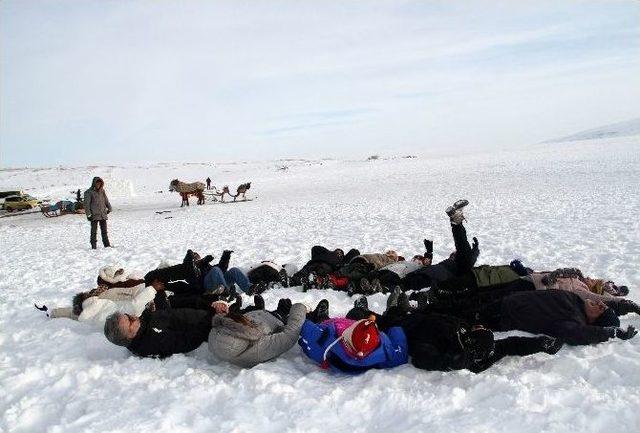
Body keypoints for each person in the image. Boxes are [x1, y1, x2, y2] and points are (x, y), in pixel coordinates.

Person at [347, 290, 562, 373]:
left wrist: (450, 362)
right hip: (420, 317)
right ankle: (398, 305)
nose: (478, 326)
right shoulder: (484, 346)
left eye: (478, 328)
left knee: (362, 315)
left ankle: (366, 309)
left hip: (401, 328)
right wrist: (541, 344)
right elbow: (511, 345)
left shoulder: (457, 353)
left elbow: (422, 359)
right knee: (399, 310)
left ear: (471, 339)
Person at [472, 289, 637, 346]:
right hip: (505, 299)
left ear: (593, 321)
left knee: (459, 317)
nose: (599, 303)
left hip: (501, 315)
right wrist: (628, 306)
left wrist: (610, 333)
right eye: (602, 303)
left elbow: (574, 335)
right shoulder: (578, 300)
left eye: (601, 308)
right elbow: (607, 305)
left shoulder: (574, 321)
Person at [298, 300, 408, 373]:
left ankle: (321, 316)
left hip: (330, 325)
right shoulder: (387, 355)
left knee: (353, 314)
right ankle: (361, 310)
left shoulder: (325, 342)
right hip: (362, 336)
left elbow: (304, 325)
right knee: (358, 314)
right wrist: (393, 331)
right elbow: (399, 340)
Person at [104, 299, 234, 358]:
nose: (133, 316)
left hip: (204, 312)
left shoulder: (140, 328)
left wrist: (148, 310)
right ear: (130, 335)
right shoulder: (152, 341)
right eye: (130, 320)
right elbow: (187, 341)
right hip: (214, 323)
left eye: (127, 315)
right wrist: (213, 316)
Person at [208, 299, 308, 368]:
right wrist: (300, 307)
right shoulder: (257, 348)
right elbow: (290, 336)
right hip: (276, 320)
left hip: (262, 315)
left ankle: (269, 309)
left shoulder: (218, 332)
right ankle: (281, 312)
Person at [84, 176, 112, 249]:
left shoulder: (102, 191)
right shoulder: (88, 192)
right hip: (94, 215)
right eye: (97, 183)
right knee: (93, 232)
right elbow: (86, 205)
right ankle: (93, 246)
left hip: (103, 214)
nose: (98, 185)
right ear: (94, 183)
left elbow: (106, 200)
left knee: (104, 232)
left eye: (100, 183)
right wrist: (88, 215)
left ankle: (107, 245)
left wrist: (109, 208)